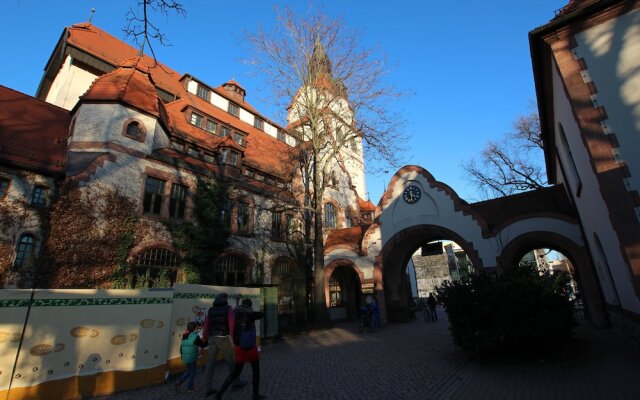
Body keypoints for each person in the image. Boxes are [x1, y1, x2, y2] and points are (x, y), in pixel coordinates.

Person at [216, 298, 266, 400]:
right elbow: (262, 314)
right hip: (250, 348)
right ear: (250, 305)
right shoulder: (250, 314)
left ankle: (219, 393)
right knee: (256, 371)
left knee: (235, 373)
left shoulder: (234, 315)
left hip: (238, 348)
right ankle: (255, 394)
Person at [203, 293, 245, 396]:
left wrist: (205, 337)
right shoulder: (228, 309)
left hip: (212, 338)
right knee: (231, 361)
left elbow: (207, 324)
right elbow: (231, 323)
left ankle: (207, 388)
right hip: (224, 338)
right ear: (225, 299)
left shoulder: (211, 310)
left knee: (210, 363)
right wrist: (232, 337)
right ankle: (236, 382)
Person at [175, 322, 208, 393]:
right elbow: (203, 345)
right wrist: (209, 340)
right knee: (193, 372)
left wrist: (182, 355)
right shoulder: (195, 337)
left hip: (185, 356)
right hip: (192, 357)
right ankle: (189, 387)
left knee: (189, 371)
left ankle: (179, 382)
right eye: (196, 327)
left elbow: (182, 346)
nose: (197, 328)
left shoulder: (185, 336)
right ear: (194, 328)